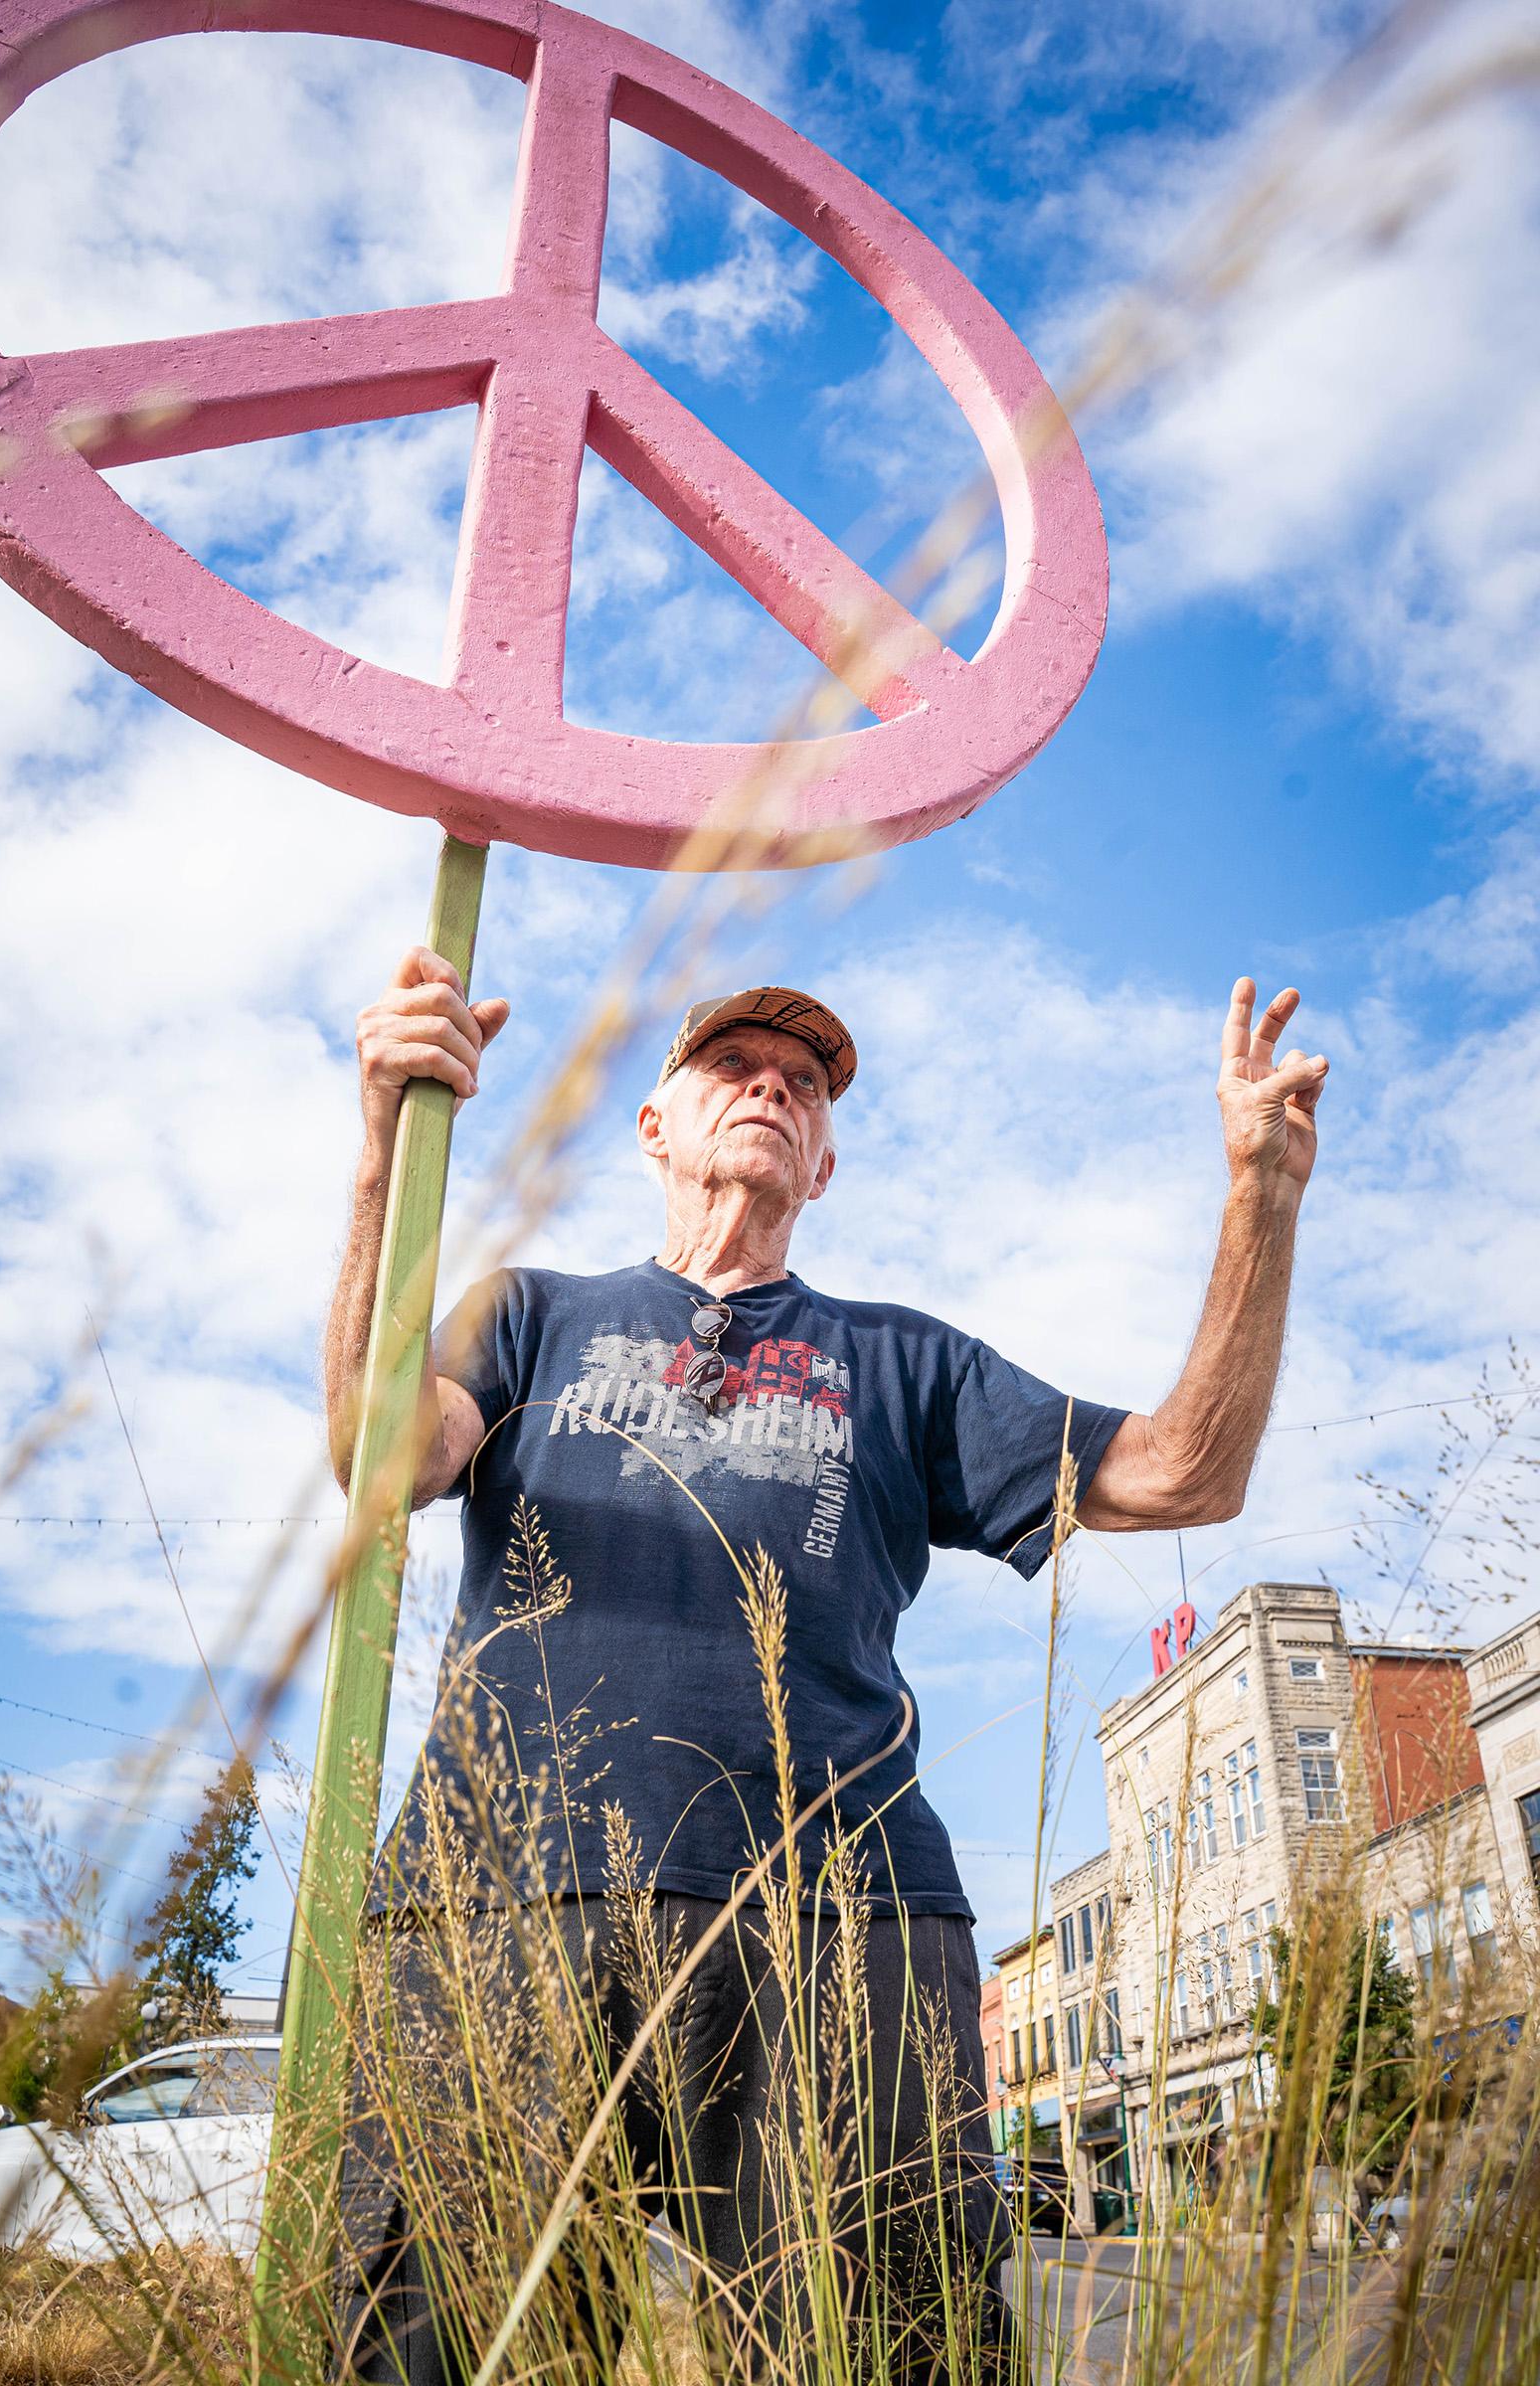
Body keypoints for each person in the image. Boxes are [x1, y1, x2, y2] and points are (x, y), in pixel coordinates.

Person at [324, 959, 1327, 2381]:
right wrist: (383, 1144)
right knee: (449, 2349)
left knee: (880, 2350)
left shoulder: (904, 1363)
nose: (773, 1089)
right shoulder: (530, 1314)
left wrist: (1261, 1198)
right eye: (734, 1065)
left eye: (804, 1085)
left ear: (829, 1161)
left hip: (840, 1925)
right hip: (503, 1897)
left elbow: (1185, 1473)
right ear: (654, 1127)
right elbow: (383, 1455)